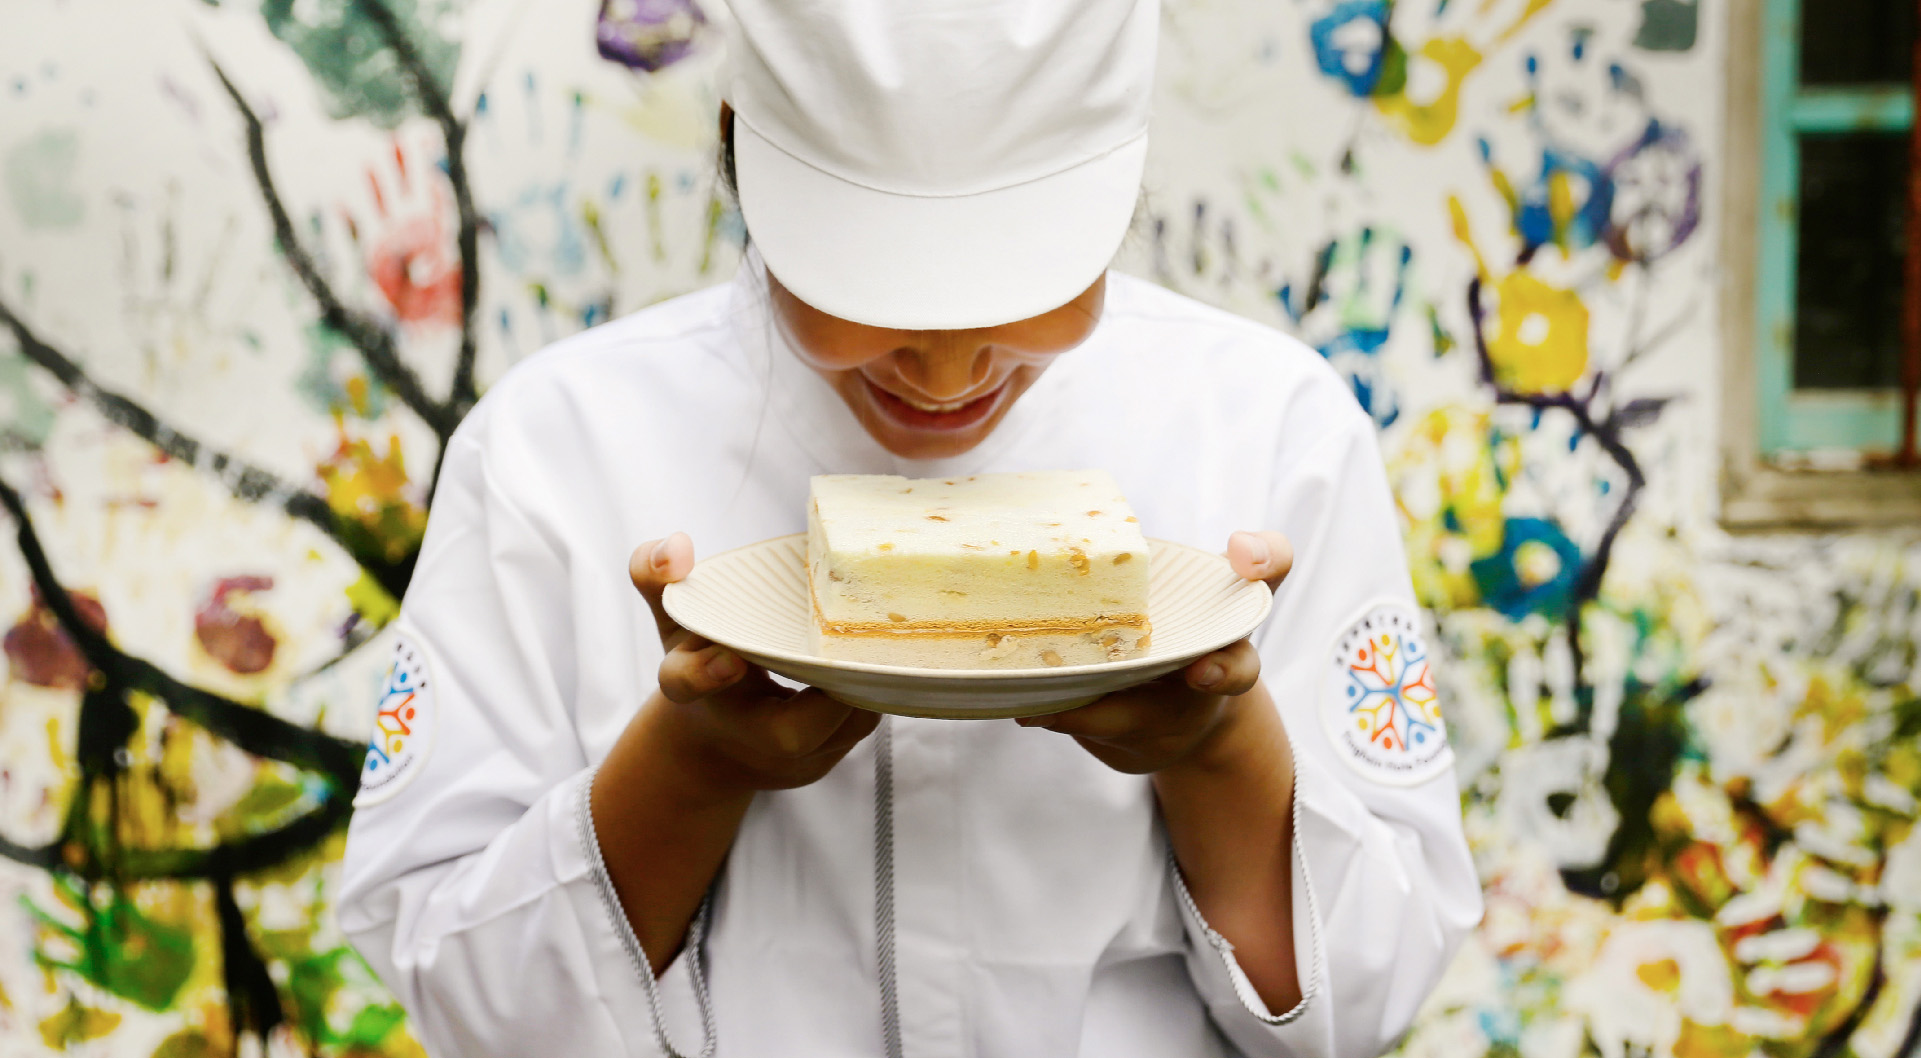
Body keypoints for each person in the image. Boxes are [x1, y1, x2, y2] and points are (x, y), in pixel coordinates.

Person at [337, 1, 1482, 1055]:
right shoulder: (554, 450)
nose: (945, 371)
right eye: (871, 283)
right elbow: (463, 995)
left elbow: (1362, 997)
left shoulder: (1271, 430)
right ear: (743, 152)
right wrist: (689, 764)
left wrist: (1219, 746)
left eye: (1019, 278)